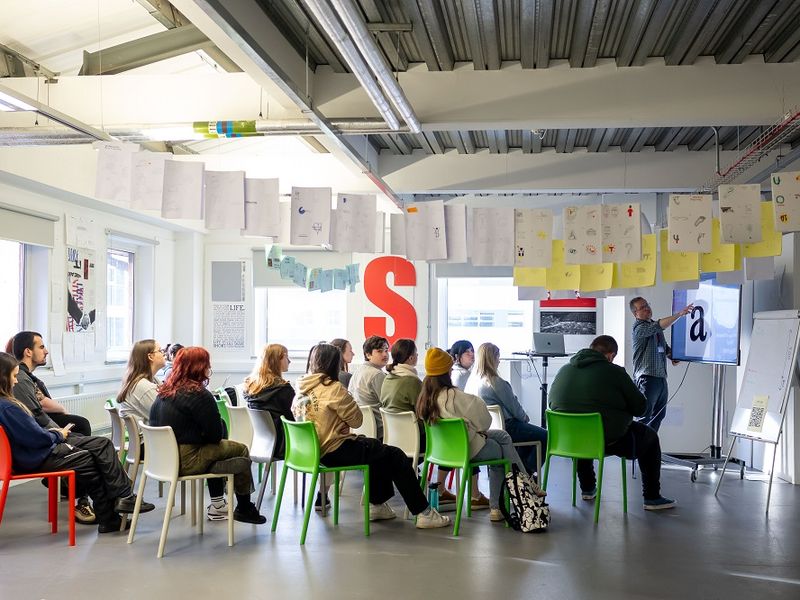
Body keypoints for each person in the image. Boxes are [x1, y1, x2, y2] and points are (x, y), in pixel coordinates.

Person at [293, 343, 450, 529]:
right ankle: (423, 512)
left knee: (377, 450)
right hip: (334, 450)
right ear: (334, 363)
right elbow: (357, 420)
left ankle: (377, 505)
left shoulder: (302, 386)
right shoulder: (333, 389)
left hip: (309, 452)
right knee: (396, 455)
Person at [0, 351, 155, 533]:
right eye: (14, 376)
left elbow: (32, 434)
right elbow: (37, 438)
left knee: (100, 447)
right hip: (34, 457)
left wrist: (54, 433)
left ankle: (118, 505)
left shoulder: (6, 405)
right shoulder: (9, 407)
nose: (16, 381)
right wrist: (58, 435)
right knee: (90, 458)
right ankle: (117, 506)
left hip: (27, 455)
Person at [548, 335, 676, 510]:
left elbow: (552, 404)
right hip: (606, 440)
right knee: (650, 437)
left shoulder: (565, 369)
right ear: (610, 355)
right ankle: (652, 497)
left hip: (567, 440)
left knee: (581, 426)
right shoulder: (614, 371)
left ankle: (587, 488)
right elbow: (641, 409)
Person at [149, 346, 266, 524]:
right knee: (241, 450)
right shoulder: (199, 394)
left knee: (223, 452)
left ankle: (219, 504)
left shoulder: (164, 392)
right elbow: (215, 436)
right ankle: (243, 508)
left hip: (161, 460)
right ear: (200, 367)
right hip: (187, 459)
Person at [416, 347, 535, 522]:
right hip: (467, 449)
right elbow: (484, 422)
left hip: (442, 451)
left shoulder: (425, 397)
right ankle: (500, 505)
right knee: (500, 451)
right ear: (446, 371)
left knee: (502, 436)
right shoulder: (454, 395)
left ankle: (524, 485)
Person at [9, 331, 95, 524]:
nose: (46, 351)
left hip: (40, 433)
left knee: (81, 428)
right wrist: (60, 434)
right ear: (28, 352)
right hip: (37, 442)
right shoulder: (22, 378)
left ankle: (77, 488)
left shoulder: (25, 376)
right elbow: (39, 410)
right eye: (41, 347)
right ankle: (83, 497)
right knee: (84, 438)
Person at [466, 343, 547, 476]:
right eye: (498, 357)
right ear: (493, 358)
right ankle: (527, 473)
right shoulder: (496, 382)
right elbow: (515, 409)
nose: (499, 360)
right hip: (507, 427)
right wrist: (525, 418)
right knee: (544, 435)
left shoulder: (473, 381)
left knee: (527, 436)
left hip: (485, 429)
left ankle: (520, 471)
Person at [630, 297, 693, 431]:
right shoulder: (639, 328)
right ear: (635, 314)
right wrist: (679, 314)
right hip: (647, 378)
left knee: (658, 415)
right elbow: (658, 325)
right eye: (642, 307)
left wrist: (673, 357)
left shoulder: (654, 328)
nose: (647, 308)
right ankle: (637, 449)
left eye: (647, 304)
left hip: (660, 378)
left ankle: (648, 447)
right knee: (644, 416)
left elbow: (664, 348)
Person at [243, 343, 295, 460]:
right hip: (283, 444)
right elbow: (294, 419)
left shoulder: (250, 387)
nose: (289, 361)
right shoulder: (283, 389)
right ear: (277, 360)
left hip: (261, 442)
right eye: (286, 357)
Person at [348, 335, 389, 440]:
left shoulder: (357, 372)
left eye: (386, 350)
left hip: (360, 430)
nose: (385, 354)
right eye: (380, 351)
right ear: (368, 354)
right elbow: (388, 404)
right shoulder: (377, 375)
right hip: (380, 431)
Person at [116, 339, 165, 424]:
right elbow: (165, 416)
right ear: (150, 356)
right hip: (148, 436)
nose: (164, 353)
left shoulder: (152, 379)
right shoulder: (144, 386)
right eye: (160, 350)